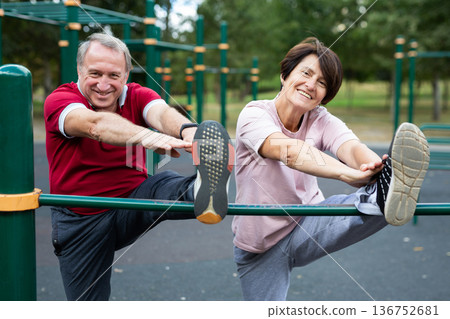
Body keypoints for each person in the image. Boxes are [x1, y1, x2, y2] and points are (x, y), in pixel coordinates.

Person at [231, 37, 430, 301]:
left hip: (306, 223)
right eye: (306, 73)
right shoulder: (254, 114)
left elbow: (351, 147)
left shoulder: (321, 118)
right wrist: (346, 173)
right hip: (258, 245)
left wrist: (373, 167)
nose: (311, 85)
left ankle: (385, 190)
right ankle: (382, 192)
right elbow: (289, 151)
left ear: (326, 94)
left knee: (378, 202)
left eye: (322, 82)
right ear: (284, 74)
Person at [44, 32, 233, 300]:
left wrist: (187, 130)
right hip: (80, 218)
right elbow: (94, 125)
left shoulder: (136, 95)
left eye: (113, 75)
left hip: (132, 204)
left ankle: (199, 191)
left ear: (126, 75)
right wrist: (146, 136)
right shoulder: (61, 100)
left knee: (161, 184)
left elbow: (160, 112)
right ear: (79, 70)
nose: (103, 84)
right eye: (95, 73)